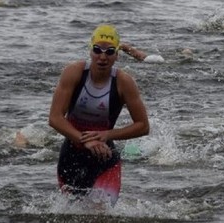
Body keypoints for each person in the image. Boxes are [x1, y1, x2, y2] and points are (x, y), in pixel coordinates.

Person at [48, 24, 150, 205]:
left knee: (101, 216)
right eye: (97, 50)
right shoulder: (74, 73)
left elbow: (143, 126)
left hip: (105, 158)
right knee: (70, 217)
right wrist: (85, 139)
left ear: (117, 55)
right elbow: (55, 118)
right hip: (71, 156)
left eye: (110, 52)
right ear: (90, 51)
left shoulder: (124, 82)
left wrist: (107, 135)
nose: (102, 57)